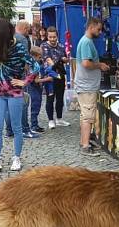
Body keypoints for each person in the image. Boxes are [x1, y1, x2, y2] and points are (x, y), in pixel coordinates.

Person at [0, 18, 41, 172]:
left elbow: (36, 66)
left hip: (15, 93)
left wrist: (25, 82)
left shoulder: (18, 48)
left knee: (17, 127)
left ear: (2, 33)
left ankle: (16, 158)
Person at [74, 17, 109, 156]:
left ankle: (85, 140)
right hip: (86, 86)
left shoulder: (86, 41)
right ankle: (85, 145)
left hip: (86, 85)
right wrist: (100, 65)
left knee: (86, 116)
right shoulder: (87, 42)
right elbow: (86, 64)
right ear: (91, 27)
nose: (100, 32)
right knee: (88, 116)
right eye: (99, 29)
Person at [41, 26, 69, 129]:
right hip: (50, 76)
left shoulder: (61, 46)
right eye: (50, 37)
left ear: (57, 36)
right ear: (47, 36)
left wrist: (65, 59)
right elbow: (47, 59)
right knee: (50, 98)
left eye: (54, 37)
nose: (52, 39)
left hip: (60, 75)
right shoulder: (44, 45)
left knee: (60, 98)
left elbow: (65, 58)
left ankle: (59, 118)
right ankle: (50, 120)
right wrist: (54, 64)